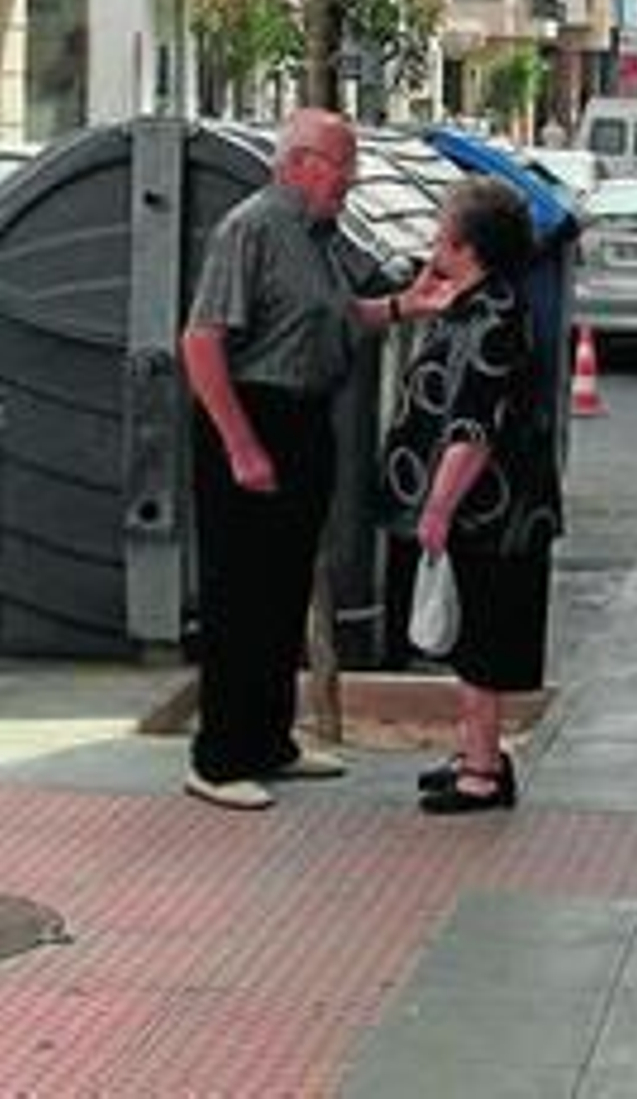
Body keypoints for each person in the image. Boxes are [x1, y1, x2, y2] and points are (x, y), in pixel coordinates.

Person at [182, 109, 452, 811]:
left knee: (285, 588)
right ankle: (219, 758)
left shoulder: (317, 236)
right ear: (301, 163)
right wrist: (242, 445)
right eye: (343, 163)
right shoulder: (250, 228)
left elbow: (336, 316)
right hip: (252, 417)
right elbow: (202, 342)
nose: (351, 178)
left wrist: (405, 306)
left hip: (305, 420)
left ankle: (270, 740)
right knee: (241, 593)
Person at [381, 176, 556, 815]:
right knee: (466, 629)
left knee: (480, 634)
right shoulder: (480, 303)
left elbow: (474, 429)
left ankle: (482, 769)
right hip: (488, 507)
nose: (433, 244)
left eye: (441, 234)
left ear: (465, 245)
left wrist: (438, 508)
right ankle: (473, 751)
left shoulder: (492, 319)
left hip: (490, 512)